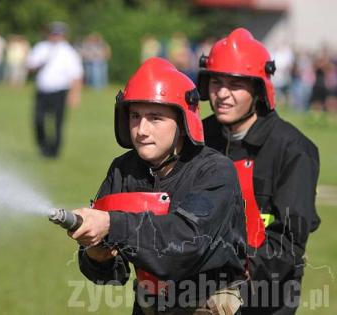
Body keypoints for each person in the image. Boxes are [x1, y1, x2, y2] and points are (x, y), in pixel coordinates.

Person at [69, 57, 248, 314]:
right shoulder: (123, 169)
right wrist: (96, 252)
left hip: (207, 305)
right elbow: (111, 275)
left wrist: (111, 223)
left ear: (184, 123)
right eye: (135, 116)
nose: (141, 130)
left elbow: (185, 240)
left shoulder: (215, 171)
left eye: (155, 118)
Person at [197, 28, 320, 314]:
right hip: (197, 293)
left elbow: (289, 240)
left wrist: (233, 282)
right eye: (216, 82)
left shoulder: (293, 149)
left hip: (263, 299)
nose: (223, 94)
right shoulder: (199, 137)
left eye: (236, 84)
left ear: (258, 89)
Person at [26, 21, 83, 158]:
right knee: (38, 120)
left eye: (59, 34)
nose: (56, 37)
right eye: (54, 33)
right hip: (43, 91)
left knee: (57, 122)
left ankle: (54, 151)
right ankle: (43, 145)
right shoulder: (41, 47)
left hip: (60, 91)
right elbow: (29, 65)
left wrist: (75, 94)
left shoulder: (69, 52)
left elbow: (76, 75)